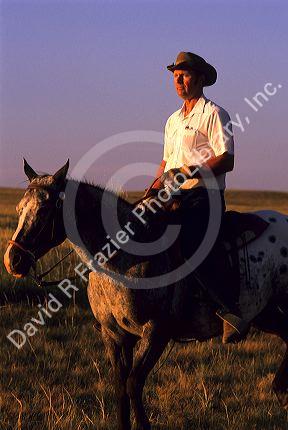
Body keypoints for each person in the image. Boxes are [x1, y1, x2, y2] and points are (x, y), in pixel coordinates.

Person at [146, 52, 249, 343]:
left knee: (191, 243)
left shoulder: (215, 114)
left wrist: (191, 170)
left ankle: (230, 311)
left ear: (201, 78)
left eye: (185, 74)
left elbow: (226, 159)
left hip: (204, 198)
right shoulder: (172, 121)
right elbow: (166, 163)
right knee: (141, 234)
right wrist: (152, 188)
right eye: (175, 75)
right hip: (170, 196)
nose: (178, 79)